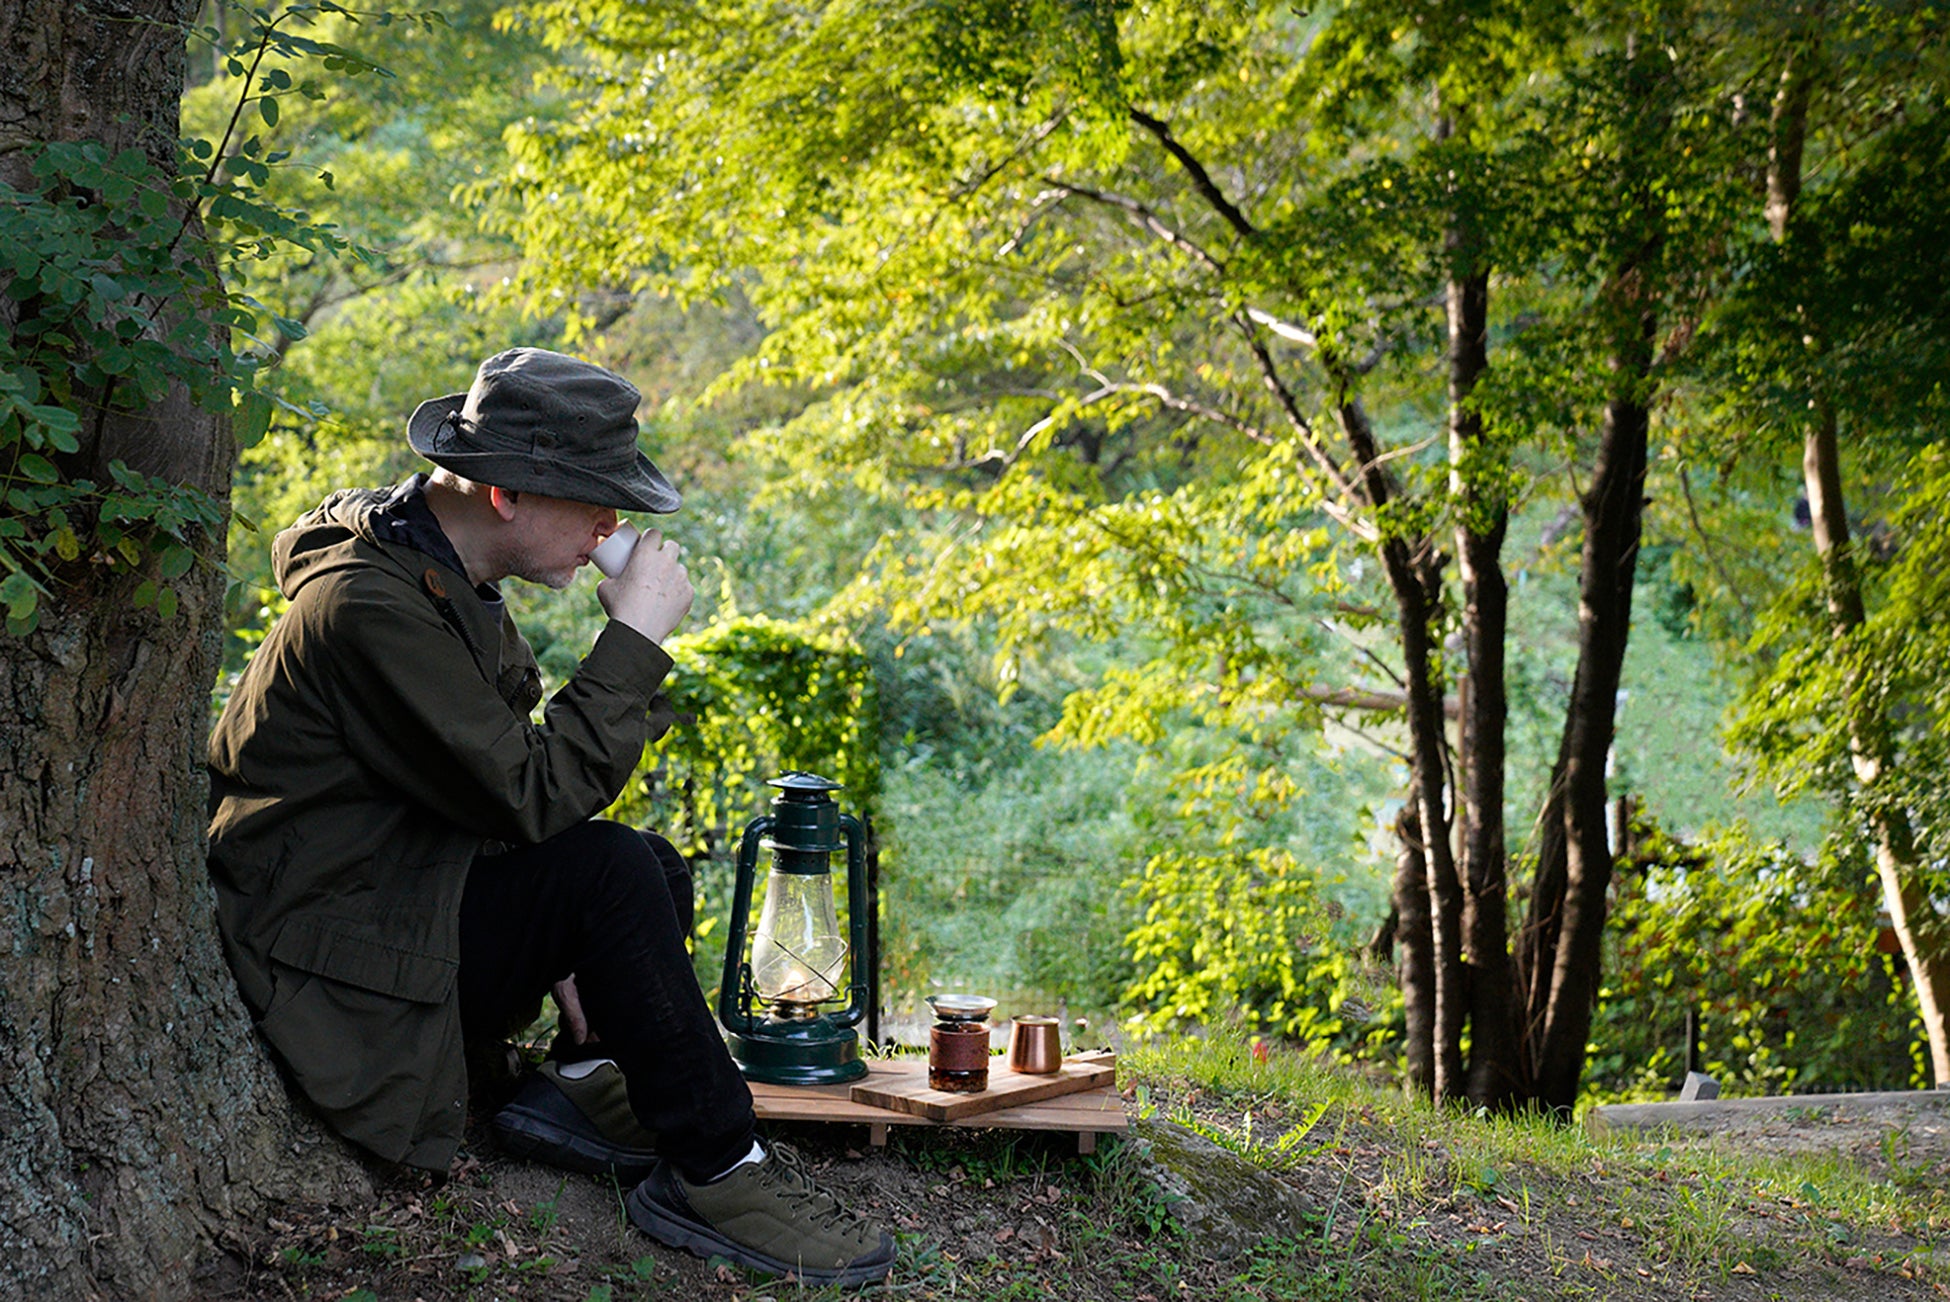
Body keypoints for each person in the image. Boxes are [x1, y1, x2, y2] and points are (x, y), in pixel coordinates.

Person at [206, 347, 895, 1287]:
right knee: (605, 873)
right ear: (509, 494)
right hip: (332, 958)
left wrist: (559, 926)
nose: (611, 528)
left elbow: (483, 784)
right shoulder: (368, 605)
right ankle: (718, 1174)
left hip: (397, 898)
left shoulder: (445, 575)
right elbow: (530, 794)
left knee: (643, 867)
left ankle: (579, 1081)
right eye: (597, 503)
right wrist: (634, 639)